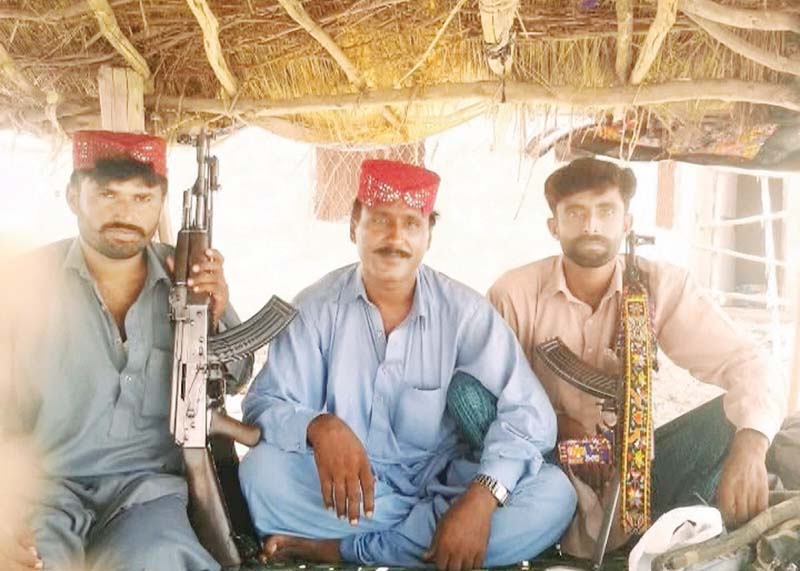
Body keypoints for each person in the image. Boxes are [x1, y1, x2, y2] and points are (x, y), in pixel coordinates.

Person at [239, 159, 577, 570]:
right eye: (380, 219)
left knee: (554, 495)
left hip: (447, 485)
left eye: (411, 224)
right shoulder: (315, 307)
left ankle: (340, 550)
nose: (395, 237)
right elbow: (265, 403)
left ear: (428, 235)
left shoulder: (464, 313)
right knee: (262, 475)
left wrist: (480, 500)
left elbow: (529, 415)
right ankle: (431, 546)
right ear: (353, 226)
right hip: (349, 490)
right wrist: (320, 427)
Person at [486, 157, 787, 555]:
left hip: (638, 473)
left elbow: (749, 362)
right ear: (553, 226)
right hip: (543, 466)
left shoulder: (658, 285)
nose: (591, 226)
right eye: (575, 213)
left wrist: (751, 445)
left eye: (605, 211)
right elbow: (488, 394)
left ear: (626, 223)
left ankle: (656, 528)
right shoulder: (515, 293)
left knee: (737, 422)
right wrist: (558, 427)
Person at [0, 130, 245, 571]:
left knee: (163, 560)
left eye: (142, 198)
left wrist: (215, 313)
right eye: (108, 194)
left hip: (147, 496)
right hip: (45, 494)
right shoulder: (22, 284)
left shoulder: (190, 280)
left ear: (161, 204)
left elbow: (239, 371)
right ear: (74, 196)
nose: (125, 213)